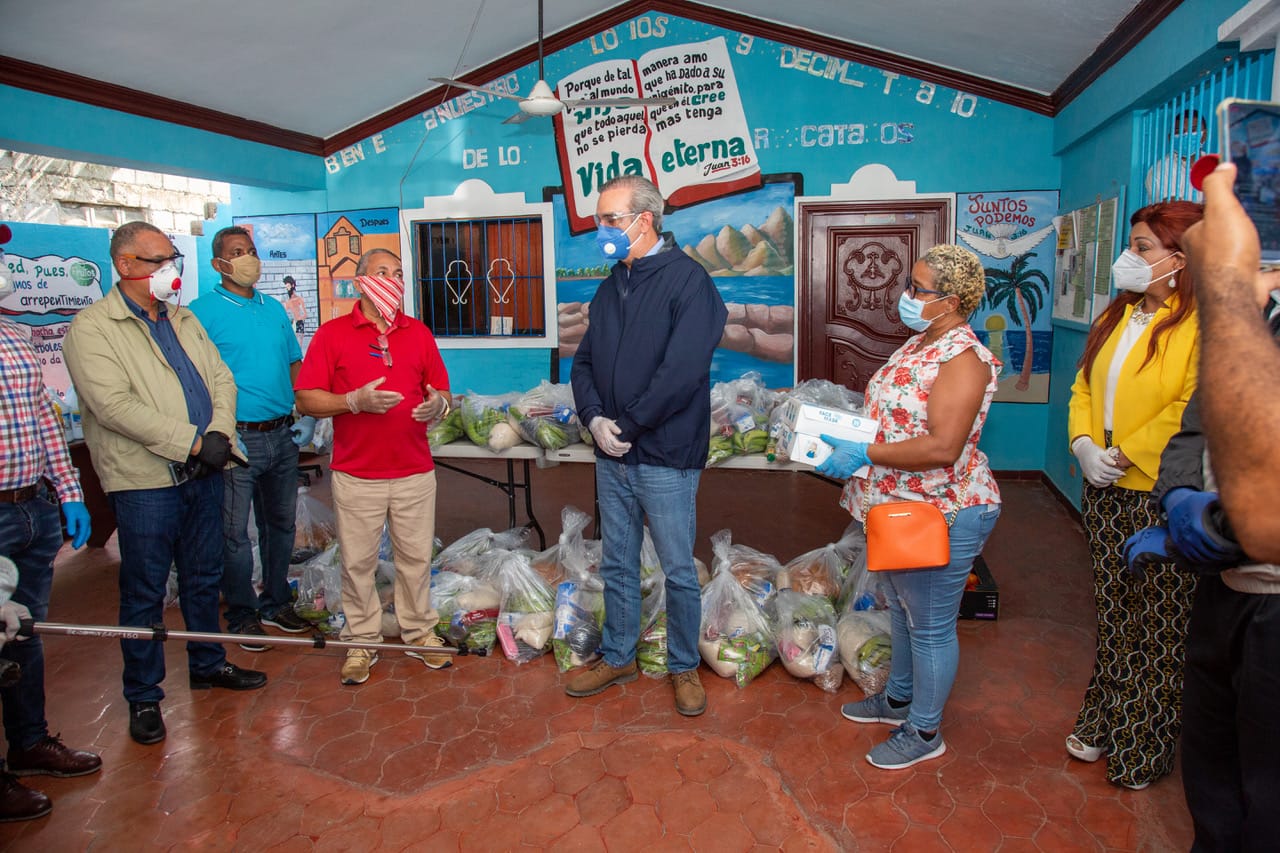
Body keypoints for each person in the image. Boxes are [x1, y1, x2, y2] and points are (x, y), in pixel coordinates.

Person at [63, 221, 267, 746]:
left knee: (204, 576)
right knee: (144, 590)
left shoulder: (182, 319)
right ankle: (144, 696)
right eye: (158, 261)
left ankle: (207, 661)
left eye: (172, 258)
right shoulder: (94, 329)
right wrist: (194, 443)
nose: (170, 269)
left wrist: (219, 434)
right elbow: (114, 408)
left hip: (204, 470)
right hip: (147, 480)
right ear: (126, 266)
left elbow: (219, 377)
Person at [1127, 160, 1280, 849]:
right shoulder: (1259, 310)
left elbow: (1267, 505)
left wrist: (1224, 521)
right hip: (1225, 592)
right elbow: (1199, 419)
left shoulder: (1229, 305)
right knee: (1213, 775)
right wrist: (1184, 490)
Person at [821, 244, 1002, 769]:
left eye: (919, 290)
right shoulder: (922, 341)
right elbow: (902, 413)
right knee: (900, 612)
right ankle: (898, 701)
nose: (907, 297)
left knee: (930, 626)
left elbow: (944, 446)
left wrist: (865, 452)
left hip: (941, 511)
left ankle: (925, 732)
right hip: (899, 507)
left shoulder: (963, 358)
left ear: (951, 301)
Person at [566, 174, 727, 717]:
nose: (602, 229)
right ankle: (619, 655)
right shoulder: (613, 283)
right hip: (612, 452)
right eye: (599, 220)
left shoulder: (689, 283)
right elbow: (584, 361)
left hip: (664, 455)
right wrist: (593, 418)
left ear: (645, 220)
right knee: (618, 562)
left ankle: (683, 666)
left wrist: (626, 425)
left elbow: (681, 374)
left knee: (679, 568)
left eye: (610, 220)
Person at [1063, 201, 1202, 790]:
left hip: (1162, 492)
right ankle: (1103, 720)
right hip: (1105, 489)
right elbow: (1083, 386)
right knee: (1115, 613)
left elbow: (1189, 407)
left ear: (1180, 258)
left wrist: (1126, 455)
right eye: (1132, 245)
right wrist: (1086, 446)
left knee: (1160, 625)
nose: (1130, 257)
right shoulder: (1118, 316)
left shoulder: (1201, 324)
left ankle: (1142, 743)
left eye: (1143, 247)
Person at [295, 248, 453, 685]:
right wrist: (353, 401)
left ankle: (420, 632)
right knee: (358, 563)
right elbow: (306, 397)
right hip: (357, 473)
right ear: (361, 280)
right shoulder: (332, 335)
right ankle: (362, 640)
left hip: (414, 472)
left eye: (399, 273)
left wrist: (437, 404)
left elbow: (442, 389)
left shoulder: (417, 333)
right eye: (382, 272)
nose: (392, 279)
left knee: (416, 559)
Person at [0, 281, 101, 819]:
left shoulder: (14, 336)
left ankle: (29, 742)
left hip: (32, 507)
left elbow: (46, 421)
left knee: (25, 633)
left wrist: (68, 492)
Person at [190, 227, 316, 650]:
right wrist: (214, 431)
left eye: (251, 251)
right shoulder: (199, 312)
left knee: (280, 524)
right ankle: (242, 613)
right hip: (235, 441)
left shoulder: (273, 309)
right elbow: (192, 378)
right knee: (234, 534)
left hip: (282, 434)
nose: (248, 259)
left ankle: (275, 600)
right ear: (218, 264)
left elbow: (294, 361)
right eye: (236, 252)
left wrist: (304, 409)